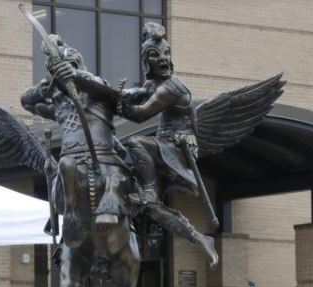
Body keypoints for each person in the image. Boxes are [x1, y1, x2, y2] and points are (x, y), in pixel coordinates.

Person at [118, 22, 219, 267]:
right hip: (165, 144)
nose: (163, 59)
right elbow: (136, 93)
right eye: (155, 55)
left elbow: (141, 114)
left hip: (176, 147)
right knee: (153, 209)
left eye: (166, 54)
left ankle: (149, 191)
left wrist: (119, 105)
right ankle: (200, 239)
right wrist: (114, 94)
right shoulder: (155, 84)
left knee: (134, 142)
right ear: (146, 61)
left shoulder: (172, 88)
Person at [21, 35, 129, 243]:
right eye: (57, 73)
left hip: (103, 154)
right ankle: (70, 216)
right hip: (70, 158)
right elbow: (27, 101)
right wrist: (42, 89)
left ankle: (138, 201)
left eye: (68, 68)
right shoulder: (59, 105)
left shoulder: (95, 88)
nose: (63, 75)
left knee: (123, 173)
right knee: (64, 167)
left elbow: (106, 91)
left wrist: (76, 75)